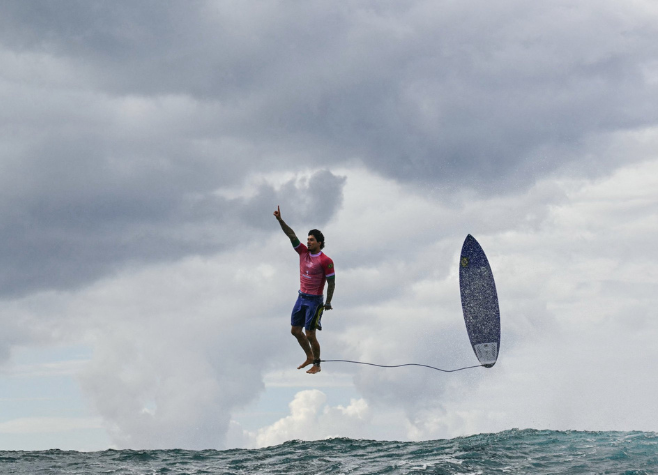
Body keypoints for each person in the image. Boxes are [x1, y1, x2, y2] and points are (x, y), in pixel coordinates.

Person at [273, 206, 335, 374]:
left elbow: (331, 282)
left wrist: (328, 302)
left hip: (315, 301)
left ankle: (317, 363)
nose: (308, 242)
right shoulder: (302, 252)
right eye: (308, 239)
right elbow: (291, 235)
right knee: (295, 331)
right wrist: (280, 220)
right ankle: (309, 356)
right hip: (301, 297)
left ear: (319, 243)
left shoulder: (326, 260)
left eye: (312, 240)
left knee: (310, 334)